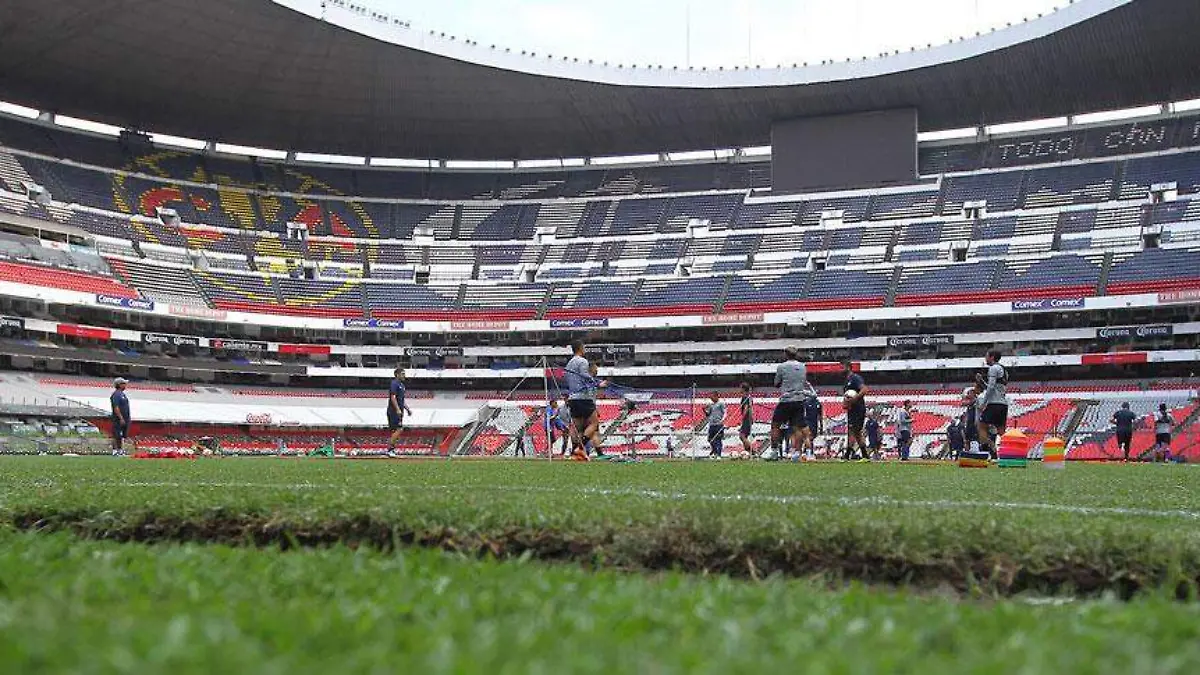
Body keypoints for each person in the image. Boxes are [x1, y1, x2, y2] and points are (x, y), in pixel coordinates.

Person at [768, 347, 815, 461]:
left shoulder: (782, 367)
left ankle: (774, 452)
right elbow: (803, 382)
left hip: (786, 400)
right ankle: (808, 453)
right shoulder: (803, 366)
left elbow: (776, 383)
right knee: (801, 427)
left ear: (786, 354)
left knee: (775, 425)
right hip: (799, 400)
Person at [564, 340, 607, 460]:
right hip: (583, 397)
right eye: (584, 347)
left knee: (577, 427)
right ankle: (579, 448)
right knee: (594, 424)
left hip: (572, 397)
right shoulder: (582, 361)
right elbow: (585, 376)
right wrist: (599, 384)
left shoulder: (569, 363)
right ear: (580, 348)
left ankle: (574, 453)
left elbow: (567, 378)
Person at [976, 349, 1009, 459]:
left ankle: (988, 450)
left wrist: (983, 403)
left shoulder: (993, 368)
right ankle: (1010, 453)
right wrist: (982, 381)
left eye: (986, 356)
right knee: (1001, 431)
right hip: (1002, 404)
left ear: (992, 357)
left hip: (994, 403)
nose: (985, 359)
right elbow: (995, 388)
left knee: (981, 426)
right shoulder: (1003, 370)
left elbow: (990, 388)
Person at [842, 360, 868, 461]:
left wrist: (854, 399)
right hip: (852, 409)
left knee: (852, 431)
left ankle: (847, 455)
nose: (841, 370)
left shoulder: (855, 378)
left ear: (848, 367)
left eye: (842, 367)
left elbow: (864, 389)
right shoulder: (847, 380)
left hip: (858, 409)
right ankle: (865, 455)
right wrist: (846, 403)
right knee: (856, 432)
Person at [387, 367, 413, 457]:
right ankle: (390, 449)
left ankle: (392, 449)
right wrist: (397, 409)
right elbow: (393, 397)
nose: (404, 375)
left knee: (396, 431)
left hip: (400, 411)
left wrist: (407, 409)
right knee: (399, 429)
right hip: (394, 411)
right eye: (402, 374)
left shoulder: (402, 385)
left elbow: (401, 399)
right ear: (397, 375)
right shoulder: (394, 383)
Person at [110, 377, 131, 456]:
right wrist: (121, 418)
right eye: (124, 383)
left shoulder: (123, 394)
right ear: (119, 384)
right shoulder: (116, 394)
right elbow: (116, 407)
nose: (125, 385)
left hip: (125, 417)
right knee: (116, 434)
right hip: (118, 418)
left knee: (122, 435)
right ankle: (115, 450)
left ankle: (120, 450)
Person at [705, 392, 726, 459]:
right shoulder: (711, 404)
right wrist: (704, 410)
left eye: (712, 397)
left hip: (718, 424)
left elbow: (725, 412)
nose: (711, 399)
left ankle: (719, 455)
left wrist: (722, 420)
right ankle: (715, 451)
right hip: (711, 424)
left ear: (716, 396)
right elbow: (708, 414)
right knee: (710, 439)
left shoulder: (721, 403)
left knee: (718, 439)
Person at [803, 390, 823, 459]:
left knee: (811, 438)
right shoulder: (806, 403)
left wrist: (821, 425)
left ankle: (806, 452)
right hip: (808, 422)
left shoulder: (818, 404)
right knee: (809, 437)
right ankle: (809, 453)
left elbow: (820, 415)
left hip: (814, 423)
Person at [738, 382, 754, 455]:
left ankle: (752, 450)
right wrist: (752, 417)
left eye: (741, 387)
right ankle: (747, 452)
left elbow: (746, 408)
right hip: (749, 418)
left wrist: (743, 418)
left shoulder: (745, 397)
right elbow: (751, 409)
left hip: (746, 419)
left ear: (743, 389)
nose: (739, 389)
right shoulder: (749, 397)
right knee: (745, 436)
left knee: (742, 436)